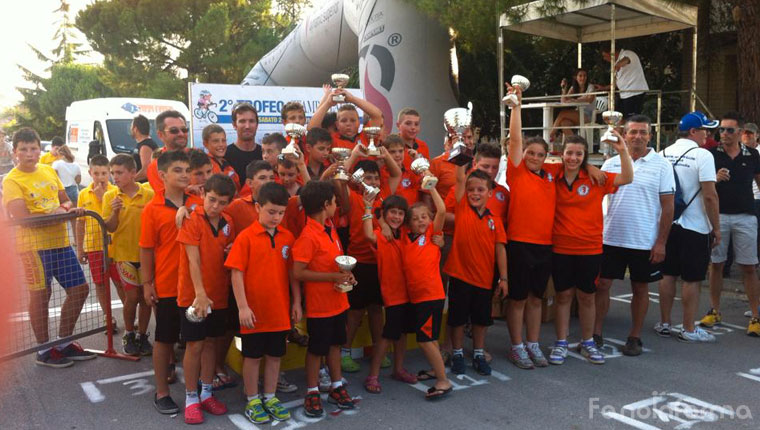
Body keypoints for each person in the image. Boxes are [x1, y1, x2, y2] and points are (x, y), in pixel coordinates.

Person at [3, 127, 95, 367]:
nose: (30, 153)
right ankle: (44, 350)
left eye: (33, 148)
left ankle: (64, 343)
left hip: (60, 244)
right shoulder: (12, 180)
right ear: (15, 152)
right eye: (23, 149)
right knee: (41, 296)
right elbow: (23, 218)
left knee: (80, 289)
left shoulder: (47, 170)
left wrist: (61, 209)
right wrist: (57, 213)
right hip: (33, 248)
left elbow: (66, 200)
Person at [548, 134, 632, 366]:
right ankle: (561, 342)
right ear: (561, 153)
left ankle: (587, 341)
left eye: (578, 154)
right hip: (560, 247)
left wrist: (622, 149)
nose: (573, 158)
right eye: (569, 153)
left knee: (587, 297)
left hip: (590, 248)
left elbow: (627, 177)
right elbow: (528, 161)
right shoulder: (553, 174)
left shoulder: (596, 178)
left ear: (584, 157)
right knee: (563, 296)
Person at [595, 114, 675, 356]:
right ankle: (595, 333)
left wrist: (661, 242)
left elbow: (668, 206)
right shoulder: (610, 164)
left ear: (650, 135)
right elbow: (595, 199)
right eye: (633, 132)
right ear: (624, 134)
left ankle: (635, 336)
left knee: (640, 288)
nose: (638, 136)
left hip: (644, 240)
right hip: (611, 238)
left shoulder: (662, 165)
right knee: (603, 286)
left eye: (643, 132)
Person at [226, 182, 299, 424]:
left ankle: (270, 396)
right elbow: (236, 273)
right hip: (254, 312)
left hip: (279, 311)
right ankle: (253, 399)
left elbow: (292, 275)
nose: (276, 217)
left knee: (275, 356)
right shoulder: (245, 238)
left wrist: (296, 302)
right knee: (253, 356)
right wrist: (243, 306)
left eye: (281, 213)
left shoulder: (288, 237)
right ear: (258, 207)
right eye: (271, 212)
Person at [139, 150, 203, 414]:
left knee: (195, 341)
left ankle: (195, 388)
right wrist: (147, 283)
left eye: (187, 170)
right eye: (178, 170)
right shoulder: (152, 209)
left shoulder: (198, 202)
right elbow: (146, 249)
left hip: (194, 287)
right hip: (166, 286)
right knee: (164, 340)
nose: (185, 175)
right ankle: (162, 391)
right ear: (162, 175)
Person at [292, 181, 356, 417]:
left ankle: (337, 386)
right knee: (317, 350)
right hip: (320, 306)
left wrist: (346, 277)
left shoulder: (329, 226)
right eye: (334, 201)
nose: (337, 204)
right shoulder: (308, 236)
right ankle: (312, 391)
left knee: (335, 344)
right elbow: (297, 272)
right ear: (325, 205)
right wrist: (333, 276)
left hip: (338, 301)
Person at [503, 84, 556, 369]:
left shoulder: (550, 177)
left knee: (537, 299)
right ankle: (516, 345)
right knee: (518, 299)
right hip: (519, 244)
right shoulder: (517, 172)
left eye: (539, 154)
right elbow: (514, 140)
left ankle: (533, 343)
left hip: (544, 246)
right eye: (530, 153)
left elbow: (578, 164)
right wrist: (516, 107)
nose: (534, 157)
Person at [177, 174, 237, 424]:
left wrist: (231, 248)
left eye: (222, 202)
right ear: (203, 195)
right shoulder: (191, 219)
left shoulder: (228, 222)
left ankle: (206, 392)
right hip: (193, 296)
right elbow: (193, 259)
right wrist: (200, 294)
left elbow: (226, 249)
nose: (215, 206)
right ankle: (191, 398)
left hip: (218, 294)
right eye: (211, 199)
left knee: (211, 343)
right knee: (195, 346)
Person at [656, 112, 720, 343]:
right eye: (705, 130)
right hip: (695, 226)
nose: (708, 135)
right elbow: (710, 196)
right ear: (693, 132)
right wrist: (717, 228)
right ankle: (688, 328)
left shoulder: (662, 153)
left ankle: (664, 323)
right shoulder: (702, 155)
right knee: (692, 279)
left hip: (668, 222)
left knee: (668, 274)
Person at [444, 164, 508, 375]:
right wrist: (461, 157)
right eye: (471, 189)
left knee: (481, 320)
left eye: (480, 190)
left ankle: (479, 353)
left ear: (490, 193)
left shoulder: (495, 220)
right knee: (458, 319)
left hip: (484, 279)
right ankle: (457, 352)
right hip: (460, 276)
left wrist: (504, 279)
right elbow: (460, 180)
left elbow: (500, 250)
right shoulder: (462, 209)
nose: (475, 193)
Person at [340, 154, 401, 374]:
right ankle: (344, 352)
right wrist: (355, 153)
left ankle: (378, 350)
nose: (373, 182)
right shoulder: (354, 197)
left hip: (381, 263)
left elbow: (396, 173)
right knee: (355, 311)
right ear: (358, 179)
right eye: (367, 177)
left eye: (375, 178)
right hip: (359, 263)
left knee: (376, 309)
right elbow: (340, 178)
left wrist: (383, 151)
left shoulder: (384, 198)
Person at [702, 112, 760, 336]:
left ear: (740, 133)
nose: (724, 134)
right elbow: (701, 185)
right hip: (718, 216)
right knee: (716, 264)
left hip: (746, 216)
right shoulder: (710, 154)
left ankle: (755, 316)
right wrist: (714, 178)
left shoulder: (752, 154)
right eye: (721, 130)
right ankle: (714, 310)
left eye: (729, 130)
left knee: (749, 266)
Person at [361, 194, 417, 393]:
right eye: (392, 212)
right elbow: (368, 234)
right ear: (385, 214)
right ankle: (373, 375)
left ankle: (399, 369)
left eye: (401, 213)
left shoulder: (405, 233)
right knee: (387, 336)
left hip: (409, 292)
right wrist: (369, 210)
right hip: (393, 294)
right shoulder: (381, 235)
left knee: (402, 334)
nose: (397, 217)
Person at [401, 189, 453, 400]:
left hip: (431, 295)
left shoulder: (432, 233)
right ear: (408, 223)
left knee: (425, 340)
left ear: (430, 219)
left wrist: (431, 188)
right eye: (415, 219)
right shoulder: (406, 237)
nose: (420, 221)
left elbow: (441, 209)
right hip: (418, 297)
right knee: (428, 338)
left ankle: (443, 380)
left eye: (424, 217)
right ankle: (436, 369)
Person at [103, 154, 155, 356]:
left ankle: (143, 335)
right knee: (132, 296)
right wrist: (114, 212)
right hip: (124, 254)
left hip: (146, 254)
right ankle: (129, 333)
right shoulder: (110, 196)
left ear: (133, 173)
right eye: (112, 173)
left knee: (146, 298)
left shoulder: (148, 193)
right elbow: (110, 227)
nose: (114, 177)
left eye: (119, 172)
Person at [75, 155, 123, 332]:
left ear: (109, 173)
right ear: (90, 173)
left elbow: (117, 218)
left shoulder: (115, 191)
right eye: (96, 173)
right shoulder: (82, 194)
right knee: (100, 284)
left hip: (114, 246)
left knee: (120, 283)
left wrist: (103, 197)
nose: (101, 177)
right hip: (94, 246)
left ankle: (129, 314)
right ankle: (107, 317)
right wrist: (80, 248)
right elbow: (80, 223)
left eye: (104, 173)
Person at [308, 84, 383, 149]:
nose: (348, 124)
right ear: (337, 124)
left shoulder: (366, 137)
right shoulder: (331, 140)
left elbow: (377, 116)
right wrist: (328, 103)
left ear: (359, 122)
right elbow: (312, 129)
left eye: (353, 120)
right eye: (343, 121)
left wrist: (352, 99)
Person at [598, 47, 649, 118]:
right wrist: (603, 88)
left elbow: (626, 60)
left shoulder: (628, 53)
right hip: (624, 95)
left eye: (605, 56)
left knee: (632, 119)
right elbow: (616, 83)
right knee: (619, 118)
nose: (604, 58)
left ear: (611, 53)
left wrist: (619, 64)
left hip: (634, 94)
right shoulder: (615, 63)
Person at [146, 110, 189, 194]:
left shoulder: (197, 156)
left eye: (184, 130)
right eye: (174, 130)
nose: (181, 134)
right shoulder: (156, 167)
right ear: (160, 135)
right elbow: (168, 198)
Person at [550, 68, 597, 140]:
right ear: (576, 77)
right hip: (577, 114)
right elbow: (563, 101)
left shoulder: (590, 87)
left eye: (585, 76)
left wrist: (575, 100)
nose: (583, 78)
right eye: (580, 76)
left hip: (588, 116)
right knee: (564, 123)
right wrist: (564, 89)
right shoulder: (573, 88)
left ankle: (550, 135)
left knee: (563, 113)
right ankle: (575, 143)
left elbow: (589, 99)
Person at [224, 103, 262, 183]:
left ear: (257, 125)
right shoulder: (224, 155)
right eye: (242, 121)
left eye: (251, 121)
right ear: (234, 125)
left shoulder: (265, 154)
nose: (247, 126)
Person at [203, 124, 240, 192]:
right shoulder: (203, 166)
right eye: (216, 141)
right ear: (205, 144)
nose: (221, 145)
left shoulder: (229, 167)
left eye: (223, 140)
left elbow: (237, 191)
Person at [131, 114, 158, 183]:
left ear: (135, 129)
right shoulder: (143, 144)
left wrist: (130, 182)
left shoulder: (145, 146)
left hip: (144, 186)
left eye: (131, 127)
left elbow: (146, 170)